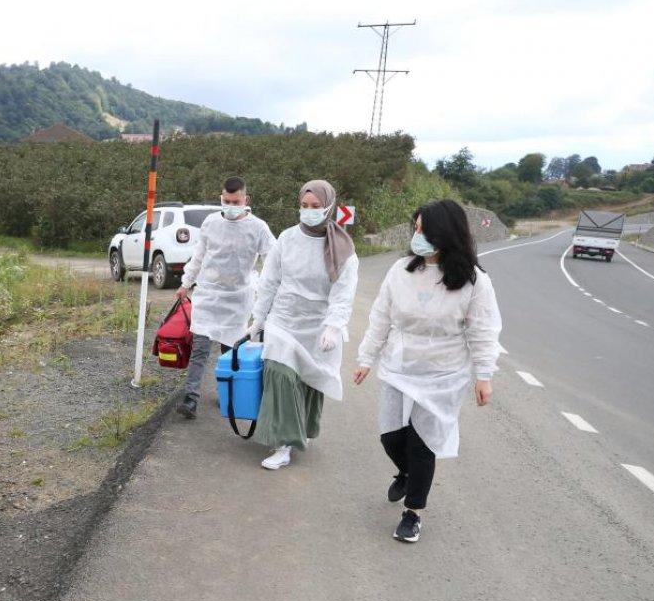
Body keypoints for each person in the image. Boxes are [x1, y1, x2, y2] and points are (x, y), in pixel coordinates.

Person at [353, 199, 502, 543]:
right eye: (416, 228)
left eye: (425, 230)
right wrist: (366, 358)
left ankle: (413, 513)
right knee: (391, 437)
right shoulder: (401, 270)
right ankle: (406, 473)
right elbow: (380, 317)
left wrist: (484, 376)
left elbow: (483, 331)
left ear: (446, 233)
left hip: (443, 374)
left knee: (423, 443)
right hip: (400, 365)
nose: (417, 236)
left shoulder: (474, 281)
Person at [247, 180, 358, 469]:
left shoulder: (341, 248)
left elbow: (343, 292)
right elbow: (269, 281)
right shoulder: (287, 239)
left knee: (309, 379)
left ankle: (302, 429)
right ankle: (282, 444)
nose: (309, 211)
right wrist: (259, 318)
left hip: (318, 324)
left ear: (329, 207)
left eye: (316, 206)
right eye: (304, 205)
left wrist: (333, 326)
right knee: (280, 374)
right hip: (283, 320)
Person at [175, 176, 276, 418]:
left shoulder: (258, 228)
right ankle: (190, 398)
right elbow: (199, 256)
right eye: (226, 201)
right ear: (221, 198)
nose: (230, 206)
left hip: (237, 299)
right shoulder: (211, 222)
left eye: (235, 202)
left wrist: (269, 294)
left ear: (246, 200)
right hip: (208, 295)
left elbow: (273, 261)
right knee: (200, 349)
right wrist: (186, 283)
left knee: (230, 352)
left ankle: (228, 395)